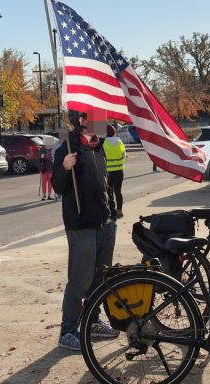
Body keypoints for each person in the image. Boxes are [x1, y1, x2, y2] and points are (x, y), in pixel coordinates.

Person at [51, 109, 119, 351]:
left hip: (105, 223)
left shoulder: (99, 146)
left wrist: (112, 214)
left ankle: (91, 321)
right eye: (100, 118)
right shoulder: (67, 148)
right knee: (80, 280)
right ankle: (68, 330)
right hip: (81, 226)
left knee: (99, 278)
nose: (105, 122)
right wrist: (65, 168)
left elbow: (106, 183)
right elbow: (58, 187)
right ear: (82, 121)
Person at [104, 125, 127, 218]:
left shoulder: (103, 143)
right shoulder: (120, 142)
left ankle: (111, 211)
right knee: (118, 191)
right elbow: (124, 156)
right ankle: (119, 210)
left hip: (108, 171)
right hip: (119, 170)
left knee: (109, 192)